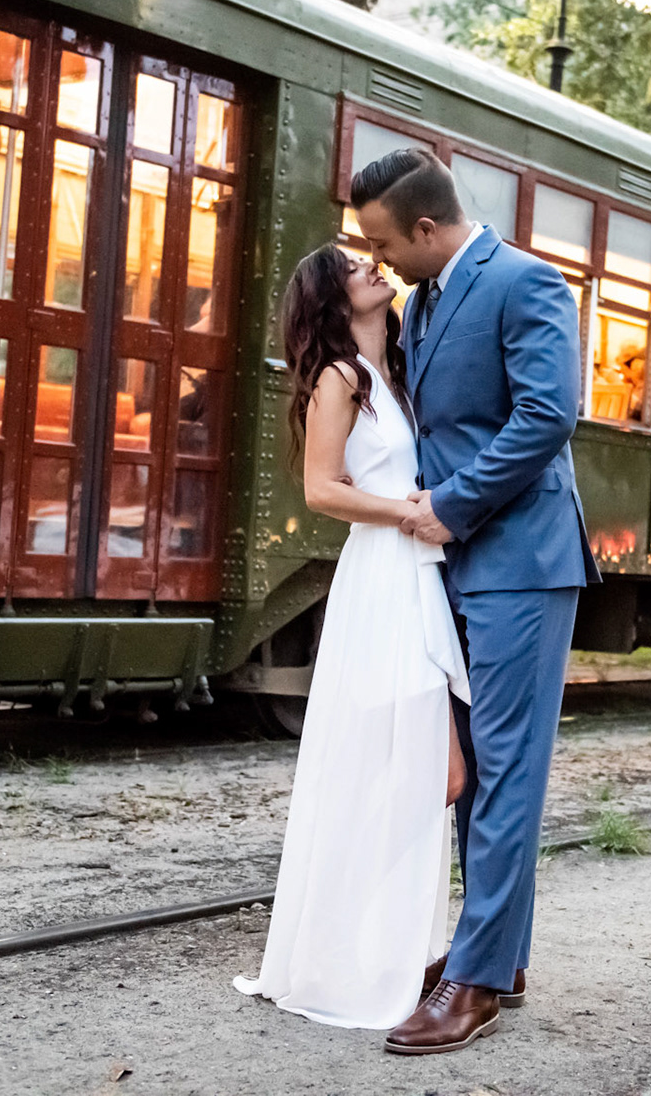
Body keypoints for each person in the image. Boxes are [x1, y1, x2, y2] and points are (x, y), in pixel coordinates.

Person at [354, 146, 598, 1055]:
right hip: (452, 568)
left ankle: (478, 981)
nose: (377, 259)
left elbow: (547, 416)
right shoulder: (420, 300)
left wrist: (449, 508)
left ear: (427, 228)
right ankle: (499, 950)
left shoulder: (528, 283)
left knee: (503, 772)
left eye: (384, 242)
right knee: (463, 768)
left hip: (522, 564)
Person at [233, 243, 470, 1029]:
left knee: (428, 772)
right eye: (352, 265)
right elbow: (321, 488)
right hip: (383, 574)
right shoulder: (342, 379)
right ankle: (353, 951)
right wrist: (409, 510)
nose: (373, 266)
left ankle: (381, 946)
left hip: (410, 571)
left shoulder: (396, 375)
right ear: (332, 296)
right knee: (407, 769)